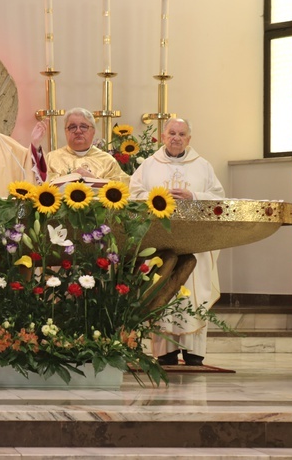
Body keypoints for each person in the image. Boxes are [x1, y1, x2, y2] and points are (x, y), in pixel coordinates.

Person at [129, 117, 225, 366]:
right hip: (161, 242)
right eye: (172, 133)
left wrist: (192, 195)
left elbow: (218, 198)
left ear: (189, 139)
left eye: (181, 134)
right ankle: (165, 352)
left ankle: (194, 352)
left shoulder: (203, 166)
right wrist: (156, 197)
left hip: (195, 242)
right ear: (163, 136)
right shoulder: (149, 165)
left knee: (193, 295)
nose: (176, 138)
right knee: (164, 292)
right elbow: (133, 194)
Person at [37, 107, 130, 184]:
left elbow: (124, 186)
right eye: (72, 127)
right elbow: (40, 184)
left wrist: (93, 180)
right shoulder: (51, 158)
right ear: (66, 131)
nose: (78, 131)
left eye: (83, 127)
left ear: (93, 131)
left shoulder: (107, 161)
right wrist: (68, 179)